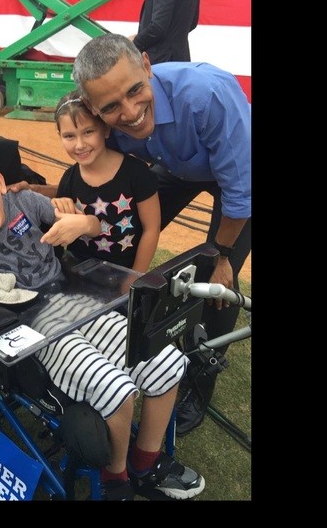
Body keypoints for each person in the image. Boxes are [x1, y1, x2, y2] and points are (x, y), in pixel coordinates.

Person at [0, 145, 205, 501]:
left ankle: (146, 462)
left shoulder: (25, 202)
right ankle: (115, 476)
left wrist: (83, 223)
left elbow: (92, 226)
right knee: (117, 389)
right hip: (31, 323)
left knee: (167, 361)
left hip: (74, 298)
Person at [71, 33, 251, 436]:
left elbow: (240, 195)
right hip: (177, 166)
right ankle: (116, 326)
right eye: (111, 107)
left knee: (214, 281)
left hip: (239, 171)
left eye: (135, 90)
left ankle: (199, 383)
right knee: (125, 236)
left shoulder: (207, 96)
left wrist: (222, 256)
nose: (131, 112)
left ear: (147, 66)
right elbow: (100, 180)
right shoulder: (97, 119)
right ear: (92, 107)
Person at [50, 91, 161, 278]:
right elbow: (61, 230)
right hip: (79, 275)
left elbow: (151, 228)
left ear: (106, 130)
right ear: (59, 135)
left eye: (88, 132)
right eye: (69, 136)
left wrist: (133, 278)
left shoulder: (137, 173)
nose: (79, 145)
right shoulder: (69, 179)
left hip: (123, 274)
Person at [131, 0, 201, 64]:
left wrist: (134, 44)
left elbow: (158, 27)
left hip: (161, 60)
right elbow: (193, 23)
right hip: (181, 59)